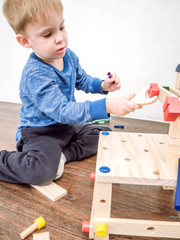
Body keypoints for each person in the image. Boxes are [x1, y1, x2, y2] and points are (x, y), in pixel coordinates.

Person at [1, 0, 141, 185]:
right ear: (25, 41)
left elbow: (82, 80)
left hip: (67, 126)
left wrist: (103, 85)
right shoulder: (35, 74)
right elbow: (61, 110)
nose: (60, 38)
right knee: (40, 173)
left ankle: (62, 156)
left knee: (104, 134)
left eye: (61, 27)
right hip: (41, 132)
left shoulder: (67, 55)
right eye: (48, 34)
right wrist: (107, 106)